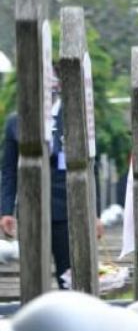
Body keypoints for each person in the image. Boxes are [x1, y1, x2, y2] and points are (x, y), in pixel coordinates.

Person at [1, 69, 104, 289]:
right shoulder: (15, 122)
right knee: (32, 277)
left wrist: (94, 214)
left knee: (69, 277)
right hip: (31, 210)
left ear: (59, 85)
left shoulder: (76, 118)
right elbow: (9, 171)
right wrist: (6, 211)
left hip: (68, 212)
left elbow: (91, 168)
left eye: (51, 81)